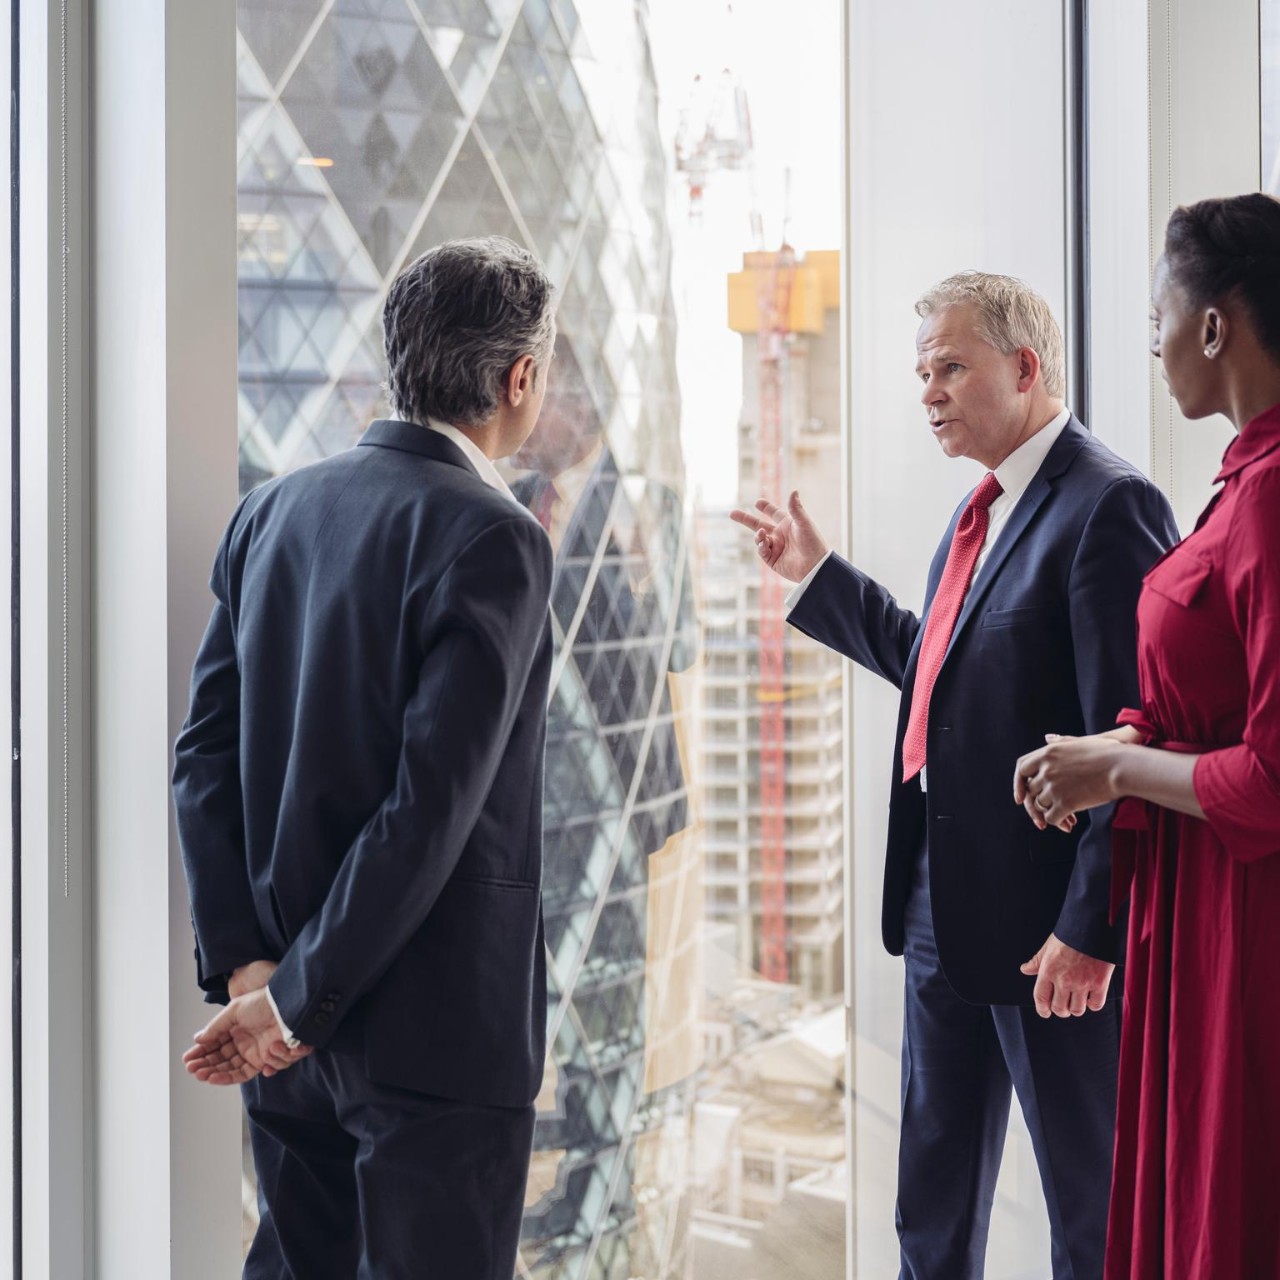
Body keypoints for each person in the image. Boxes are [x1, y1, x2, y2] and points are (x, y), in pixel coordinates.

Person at [732, 272, 1178, 1280]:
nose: (926, 390)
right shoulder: (977, 512)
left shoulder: (1107, 504)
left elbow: (1133, 735)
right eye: (918, 371)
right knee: (928, 1201)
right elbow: (934, 669)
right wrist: (816, 573)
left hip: (1047, 927)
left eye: (948, 366)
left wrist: (1088, 926)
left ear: (1023, 368)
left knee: (1089, 1207)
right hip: (940, 904)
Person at [174, 235, 557, 1280]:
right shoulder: (496, 536)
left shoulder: (272, 512)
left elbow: (201, 755)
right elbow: (426, 811)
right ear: (517, 376)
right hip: (431, 1039)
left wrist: (257, 970)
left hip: (282, 1028)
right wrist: (292, 995)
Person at [1015, 192, 1280, 1280]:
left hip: (1240, 918)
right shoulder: (1232, 488)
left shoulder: (1266, 496)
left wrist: (1110, 763)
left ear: (1213, 324)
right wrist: (1104, 750)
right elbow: (1198, 696)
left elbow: (1268, 775)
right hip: (1198, 902)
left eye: (1157, 315)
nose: (1154, 342)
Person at [510, 335, 698, 1255]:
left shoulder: (648, 507)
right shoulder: (508, 505)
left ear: (574, 403)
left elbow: (681, 645)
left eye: (532, 397)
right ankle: (575, 1188)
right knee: (547, 1004)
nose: (515, 421)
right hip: (529, 814)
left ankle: (599, 1201)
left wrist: (643, 566)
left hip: (615, 811)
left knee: (609, 1009)